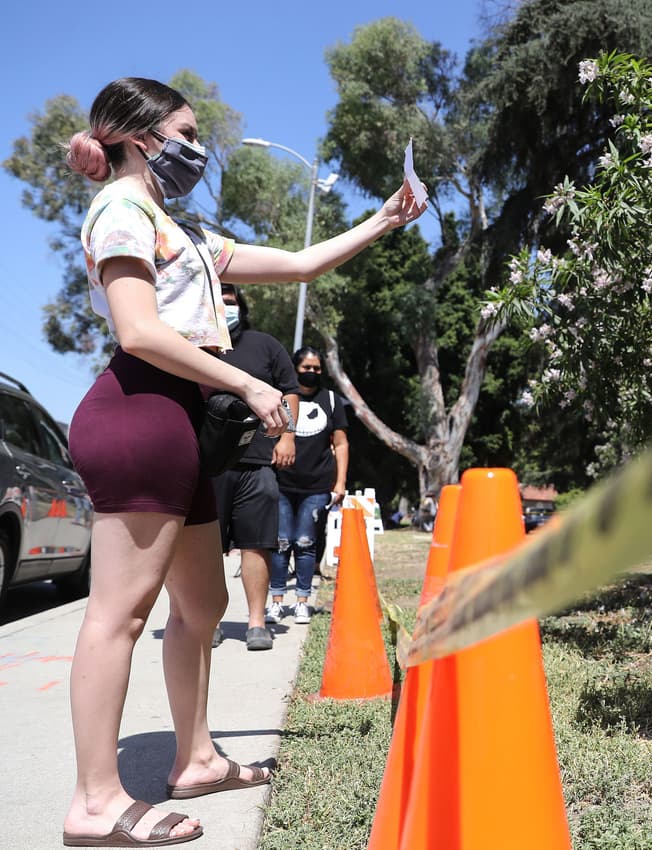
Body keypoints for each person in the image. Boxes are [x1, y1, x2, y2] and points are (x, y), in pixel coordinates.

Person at [61, 77, 425, 846]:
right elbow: (138, 332)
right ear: (138, 135)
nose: (198, 148)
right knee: (118, 617)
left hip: (181, 422)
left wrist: (385, 218)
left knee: (201, 610)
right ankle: (95, 801)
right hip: (140, 414)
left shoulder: (179, 228)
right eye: (185, 132)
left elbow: (296, 264)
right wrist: (252, 382)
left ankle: (195, 760)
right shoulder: (120, 211)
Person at [212, 285, 299, 651]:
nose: (226, 306)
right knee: (204, 548)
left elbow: (289, 388)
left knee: (257, 545)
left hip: (258, 461)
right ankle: (207, 620)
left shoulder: (265, 345)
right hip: (209, 465)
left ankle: (256, 623)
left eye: (231, 300)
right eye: (219, 299)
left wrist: (288, 436)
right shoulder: (192, 346)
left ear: (241, 306)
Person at [270, 346, 349, 625]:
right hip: (281, 483)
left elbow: (340, 444)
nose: (313, 372)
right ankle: (277, 602)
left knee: (305, 541)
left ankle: (302, 601)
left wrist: (339, 483)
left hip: (317, 487)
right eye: (307, 368)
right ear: (295, 369)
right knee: (280, 542)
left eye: (317, 368)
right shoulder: (281, 399)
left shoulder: (330, 400)